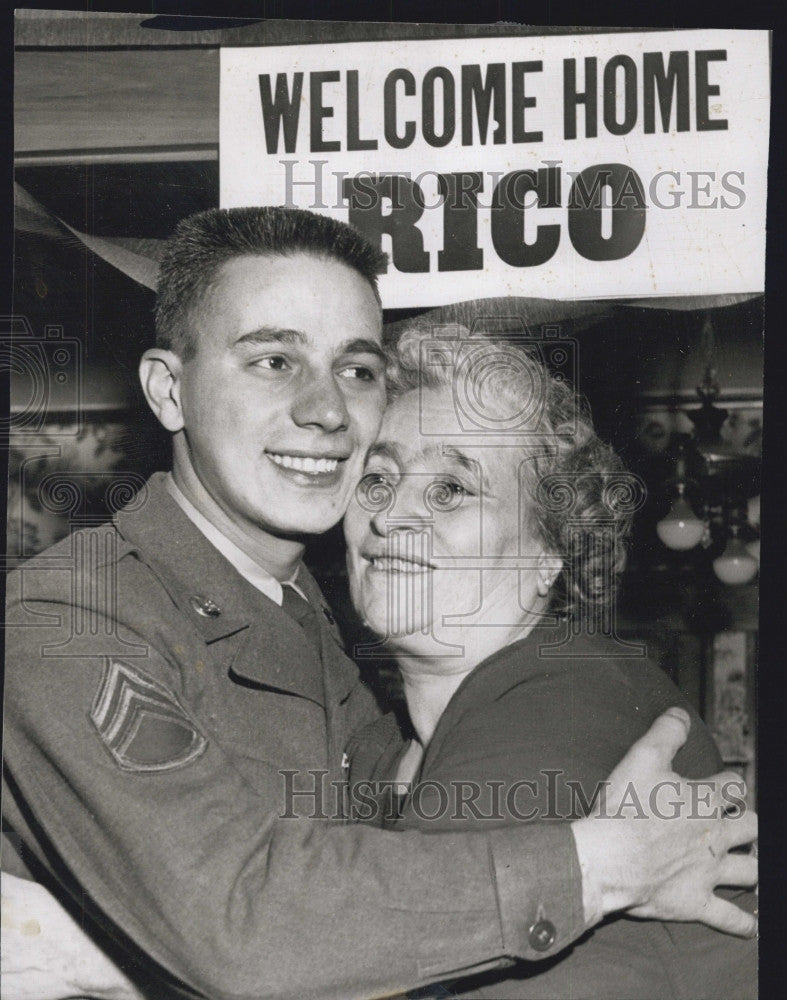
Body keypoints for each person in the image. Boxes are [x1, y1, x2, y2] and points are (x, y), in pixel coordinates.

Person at [2, 207, 757, 1000]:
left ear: (549, 553)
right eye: (272, 361)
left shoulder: (334, 635)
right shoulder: (73, 622)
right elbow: (249, 922)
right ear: (168, 390)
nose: (325, 410)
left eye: (357, 370)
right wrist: (600, 866)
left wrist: (100, 962)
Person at [342, 327, 758, 998]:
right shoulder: (380, 744)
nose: (391, 517)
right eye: (377, 479)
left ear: (546, 554)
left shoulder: (565, 694)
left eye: (450, 488)